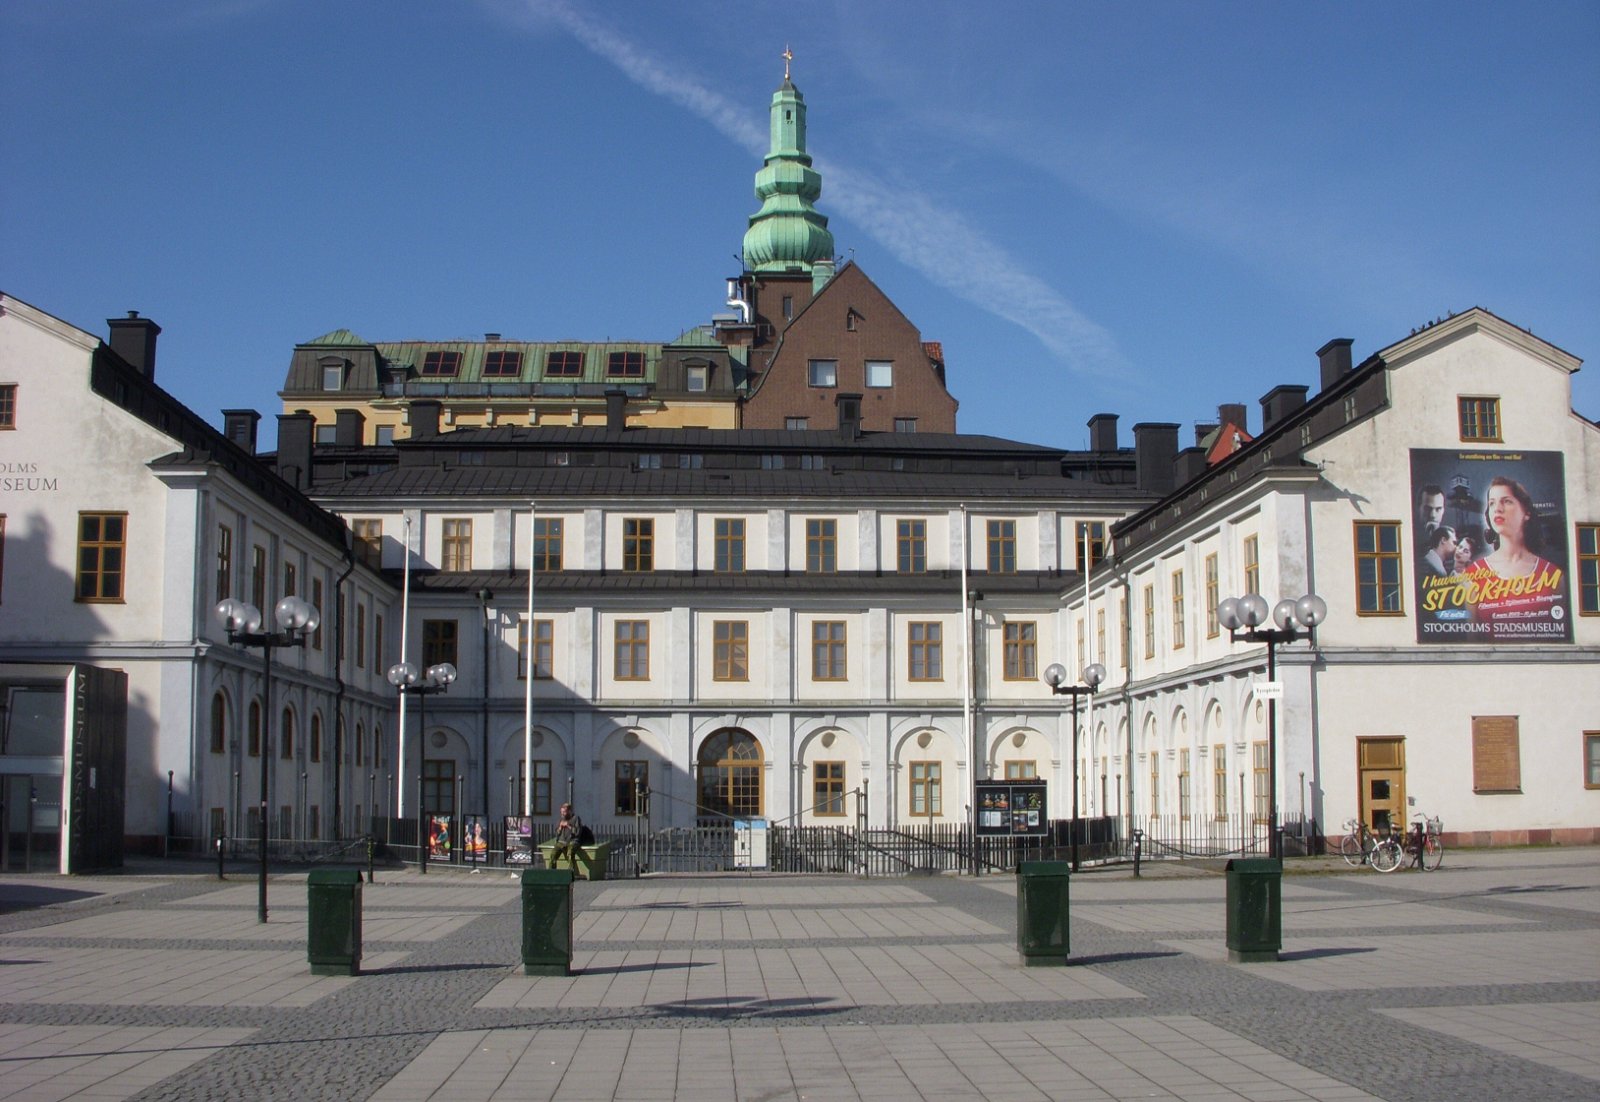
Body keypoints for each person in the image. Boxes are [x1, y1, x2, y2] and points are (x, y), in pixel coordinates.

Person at [1468, 476, 1556, 580]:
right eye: (1492, 503)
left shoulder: (1551, 574)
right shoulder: (1474, 574)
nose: (1497, 509)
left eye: (1506, 501)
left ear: (1526, 513)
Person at [547, 803, 584, 870]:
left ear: (569, 811)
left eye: (564, 812)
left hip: (572, 841)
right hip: (561, 841)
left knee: (570, 854)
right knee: (553, 854)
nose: (563, 814)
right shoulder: (561, 819)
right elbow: (556, 833)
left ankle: (571, 872)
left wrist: (568, 826)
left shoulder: (575, 818)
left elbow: (577, 832)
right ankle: (551, 872)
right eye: (561, 812)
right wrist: (560, 828)